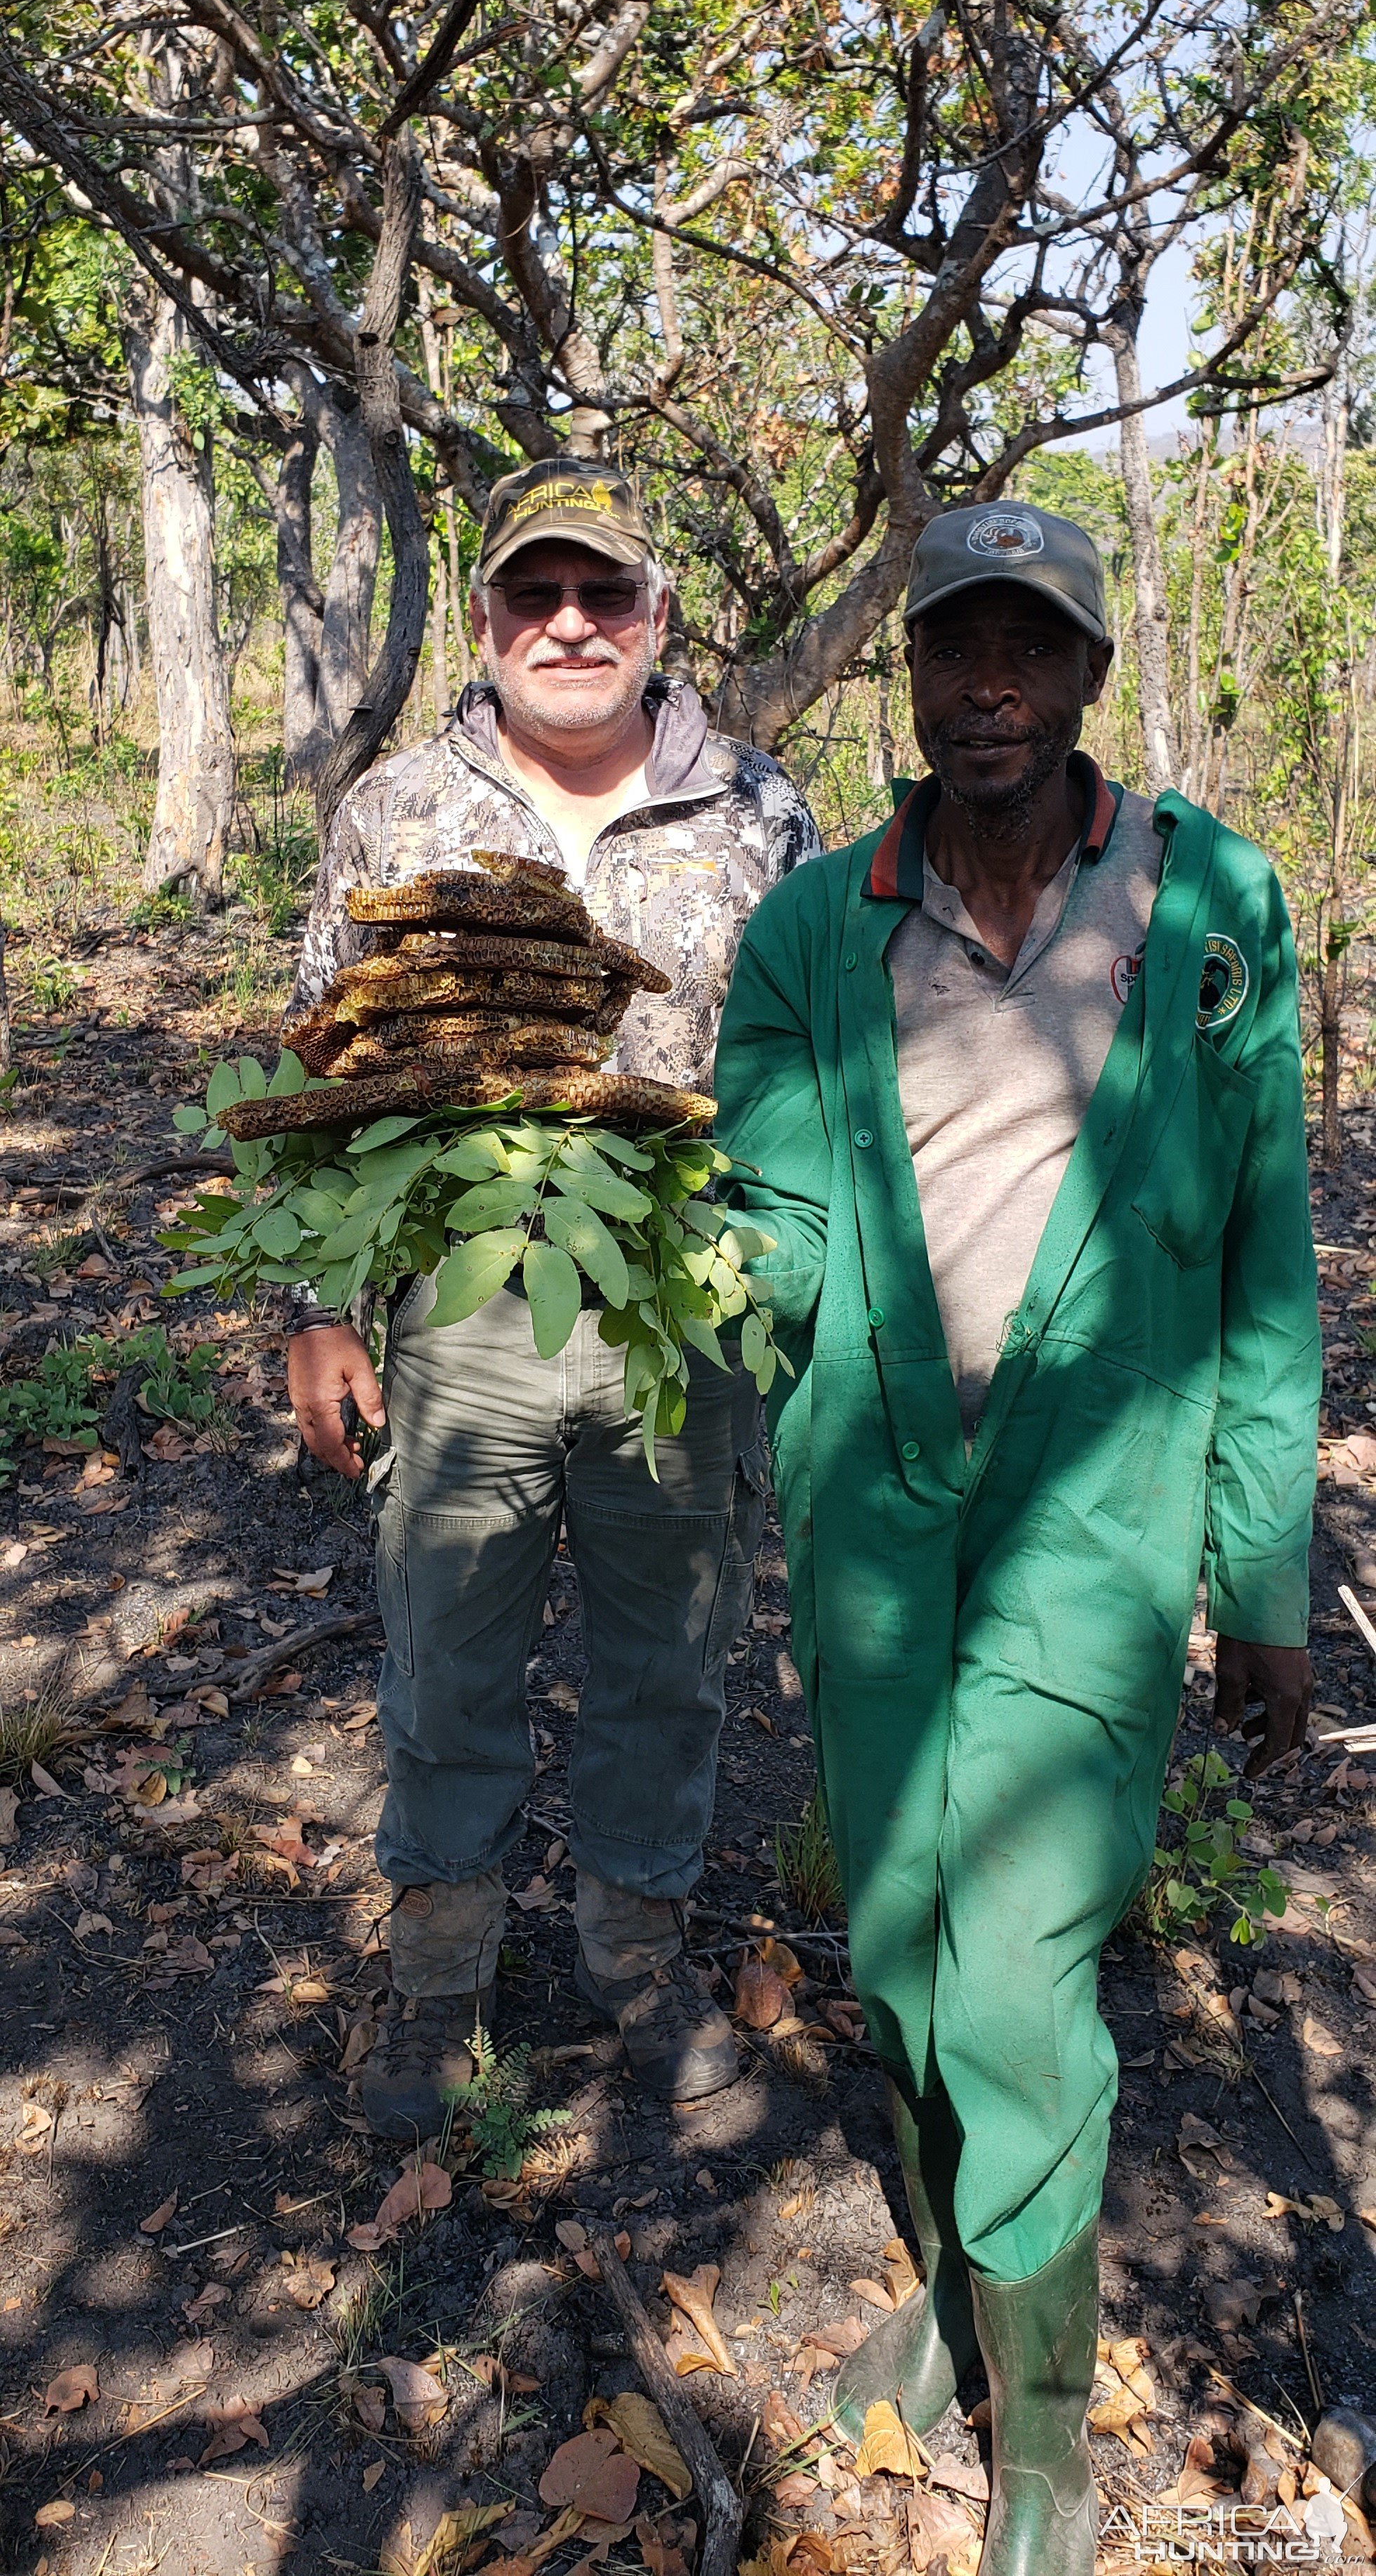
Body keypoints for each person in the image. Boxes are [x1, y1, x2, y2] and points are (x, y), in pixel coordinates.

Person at [713, 501, 1318, 2576]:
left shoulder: (1210, 907)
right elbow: (785, 1221)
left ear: (1081, 677)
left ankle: (1042, 2448)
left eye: (1027, 649)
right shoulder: (814, 929)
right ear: (909, 677)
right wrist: (654, 1261)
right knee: (897, 1944)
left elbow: (1264, 1265)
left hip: (1103, 1501)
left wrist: (1264, 1579)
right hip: (875, 1508)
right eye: (953, 647)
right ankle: (963, 2292)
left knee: (1021, 1970)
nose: (990, 684)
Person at [285, 455, 819, 2135]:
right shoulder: (399, 810)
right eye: (535, 594)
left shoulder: (761, 811)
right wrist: (315, 1302)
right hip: (466, 1313)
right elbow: (327, 1066)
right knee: (448, 1653)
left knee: (668, 1659)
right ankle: (437, 1972)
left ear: (659, 618)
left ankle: (631, 1964)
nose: (569, 625)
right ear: (489, 618)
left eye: (603, 595)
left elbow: (810, 1074)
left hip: (683, 1315)